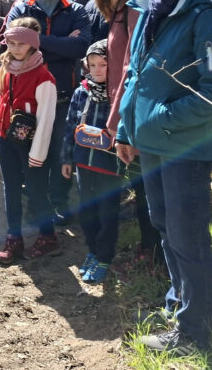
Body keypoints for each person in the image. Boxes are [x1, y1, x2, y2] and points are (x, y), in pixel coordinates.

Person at [116, 0, 212, 355]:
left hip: (185, 146)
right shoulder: (147, 8)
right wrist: (125, 130)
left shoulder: (206, 16)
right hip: (152, 142)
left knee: (187, 236)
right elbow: (134, 76)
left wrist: (160, 121)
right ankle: (181, 304)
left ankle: (193, 334)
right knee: (165, 224)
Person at [86, 0, 160, 268]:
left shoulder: (136, 7)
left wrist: (117, 119)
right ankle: (150, 245)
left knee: (145, 187)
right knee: (140, 183)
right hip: (125, 107)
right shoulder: (117, 6)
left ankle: (152, 250)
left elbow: (134, 67)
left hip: (135, 111)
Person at [2, 0, 92, 225]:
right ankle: (36, 201)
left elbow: (81, 47)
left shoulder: (76, 10)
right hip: (27, 96)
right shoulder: (21, 8)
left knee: (59, 150)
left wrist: (34, 41)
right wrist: (61, 44)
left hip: (64, 94)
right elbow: (6, 44)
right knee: (31, 150)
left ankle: (59, 201)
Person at [0, 17, 60, 263]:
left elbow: (46, 119)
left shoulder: (44, 78)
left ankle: (48, 237)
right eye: (11, 42)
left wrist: (37, 154)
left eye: (21, 44)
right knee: (11, 190)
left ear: (32, 45)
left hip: (31, 146)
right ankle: (13, 238)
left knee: (37, 191)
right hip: (8, 141)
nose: (15, 48)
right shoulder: (4, 70)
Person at [61, 40, 120, 285]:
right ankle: (92, 251)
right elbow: (70, 126)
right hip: (83, 163)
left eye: (103, 64)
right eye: (92, 64)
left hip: (109, 165)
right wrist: (67, 157)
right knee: (87, 210)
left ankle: (105, 256)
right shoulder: (81, 91)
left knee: (108, 213)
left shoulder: (118, 94)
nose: (97, 70)